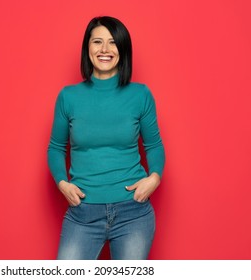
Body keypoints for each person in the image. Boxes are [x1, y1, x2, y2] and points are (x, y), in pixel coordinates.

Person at [47, 16, 165, 260]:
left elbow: (153, 145)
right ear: (87, 48)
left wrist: (154, 178)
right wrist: (62, 183)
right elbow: (56, 147)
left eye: (112, 43)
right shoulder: (68, 97)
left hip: (133, 212)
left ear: (122, 49)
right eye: (97, 42)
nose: (104, 50)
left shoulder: (140, 95)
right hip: (83, 214)